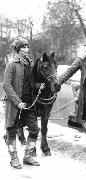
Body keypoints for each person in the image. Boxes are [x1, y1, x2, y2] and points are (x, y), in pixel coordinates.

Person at [3, 37, 40, 169]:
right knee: (11, 131)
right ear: (18, 49)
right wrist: (18, 102)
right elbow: (6, 85)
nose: (26, 49)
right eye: (23, 47)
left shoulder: (30, 63)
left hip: (29, 104)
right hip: (15, 105)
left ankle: (28, 155)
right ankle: (13, 158)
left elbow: (31, 82)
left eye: (27, 47)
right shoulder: (11, 65)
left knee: (34, 129)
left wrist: (39, 86)